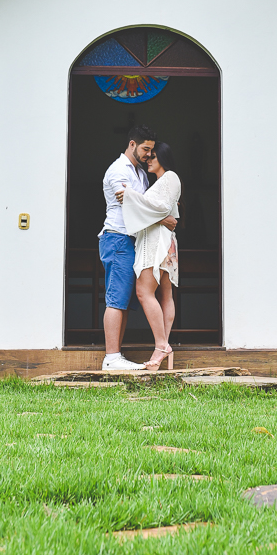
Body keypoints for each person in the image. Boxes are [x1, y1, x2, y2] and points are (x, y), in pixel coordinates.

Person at [98, 125, 177, 371]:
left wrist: (144, 205)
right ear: (132, 144)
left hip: (134, 240)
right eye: (145, 149)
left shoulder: (141, 173)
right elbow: (126, 200)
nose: (148, 154)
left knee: (125, 300)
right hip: (118, 237)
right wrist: (163, 218)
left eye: (152, 150)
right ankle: (111, 357)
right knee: (116, 299)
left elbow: (142, 203)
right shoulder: (118, 170)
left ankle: (117, 354)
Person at [117, 142, 181, 372]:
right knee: (164, 294)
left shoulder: (171, 177)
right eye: (148, 156)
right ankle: (163, 347)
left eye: (153, 156)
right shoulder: (160, 182)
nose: (149, 160)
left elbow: (161, 208)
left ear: (163, 157)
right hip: (159, 239)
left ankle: (162, 346)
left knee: (144, 292)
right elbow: (160, 212)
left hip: (158, 242)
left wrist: (130, 196)